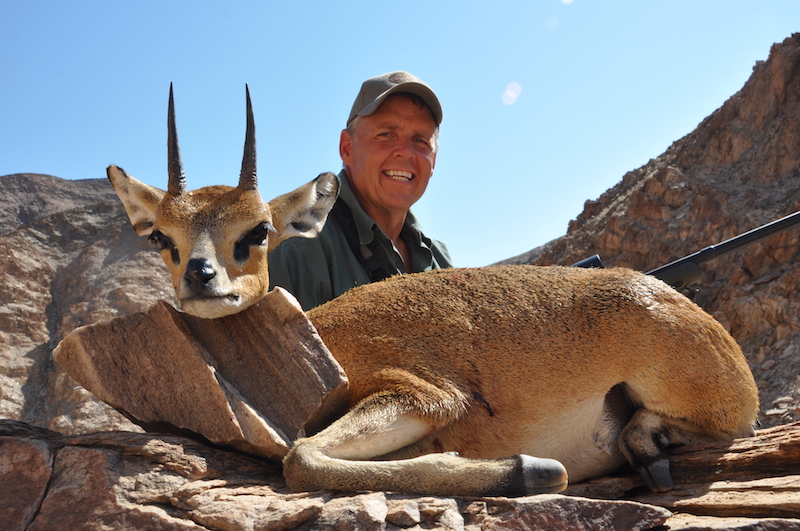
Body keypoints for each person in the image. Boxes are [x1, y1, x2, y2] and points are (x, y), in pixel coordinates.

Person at [268, 71, 453, 310]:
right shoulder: (298, 246)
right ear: (347, 148)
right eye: (386, 134)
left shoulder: (439, 258)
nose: (406, 152)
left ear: (434, 161)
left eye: (420, 140)